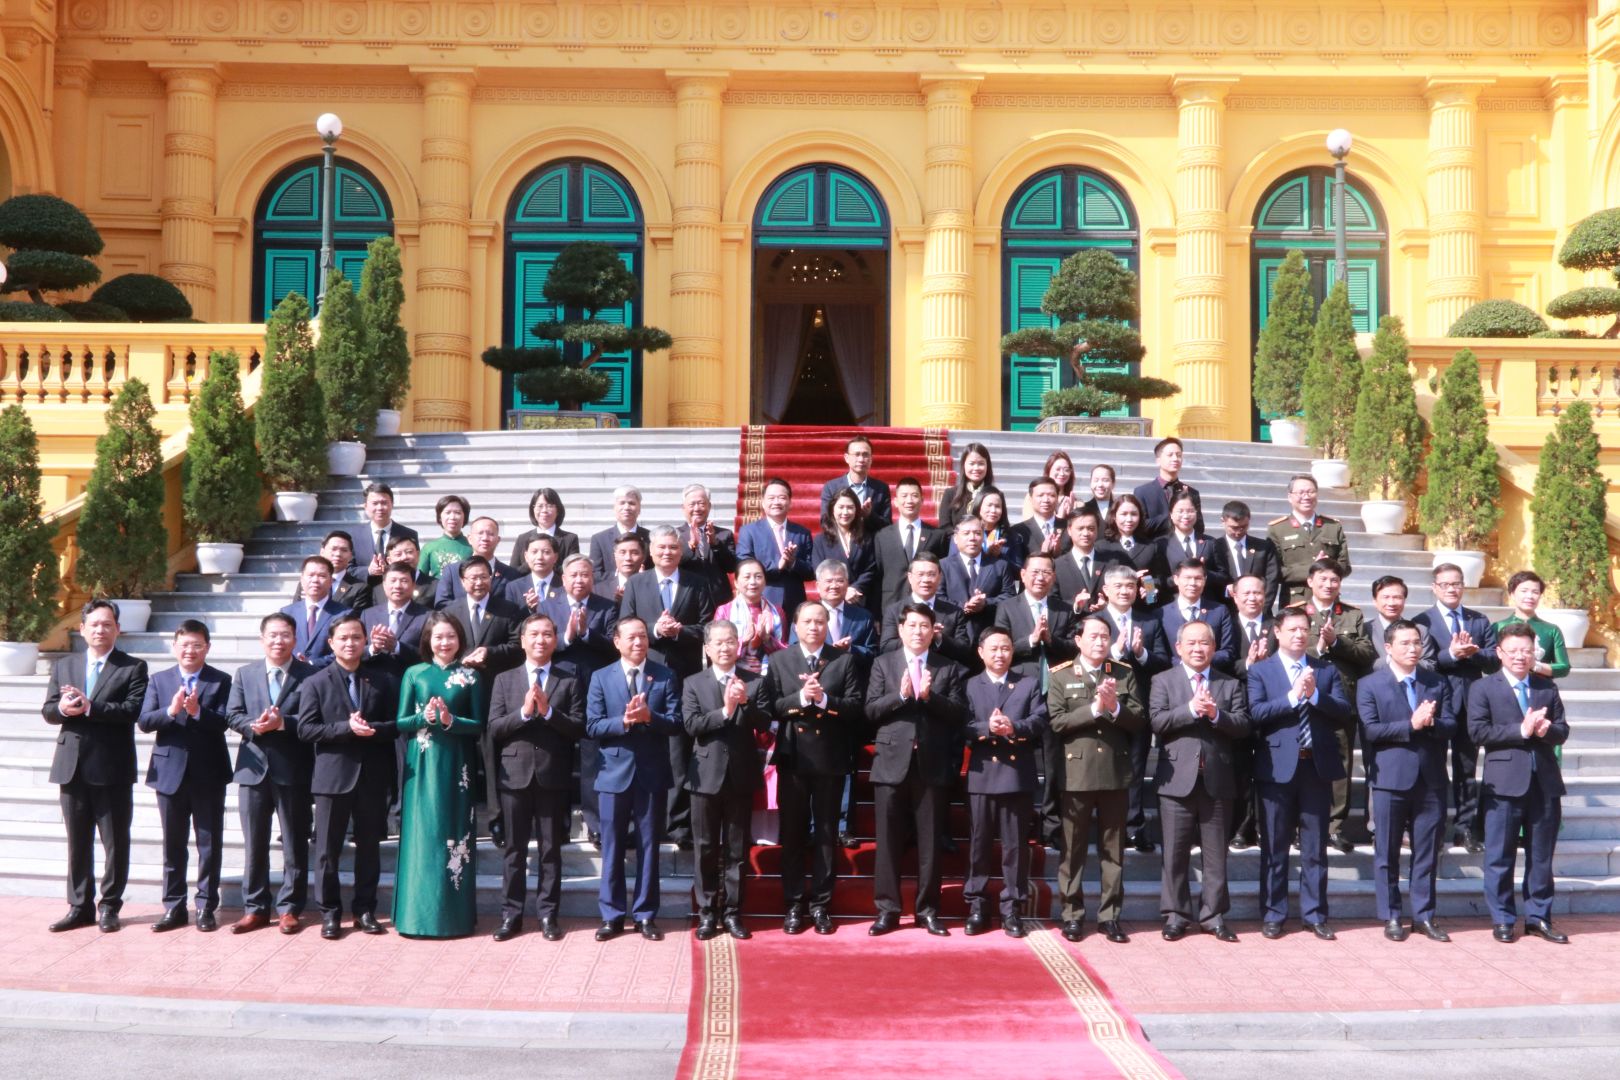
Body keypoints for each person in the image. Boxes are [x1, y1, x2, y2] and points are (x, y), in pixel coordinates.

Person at [43, 600, 149, 934]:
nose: (100, 630)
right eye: (94, 624)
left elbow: (132, 710)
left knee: (115, 842)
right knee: (77, 842)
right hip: (71, 766)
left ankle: (110, 906)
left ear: (118, 629)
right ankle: (79, 907)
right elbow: (48, 710)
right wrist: (62, 708)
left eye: (107, 624)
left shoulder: (132, 667)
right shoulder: (65, 665)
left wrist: (91, 707)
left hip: (111, 767)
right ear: (82, 629)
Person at [1247, 608, 1353, 940]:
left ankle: (1315, 913)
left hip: (1316, 767)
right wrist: (1293, 697)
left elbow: (1344, 711)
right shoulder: (1261, 671)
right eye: (1292, 629)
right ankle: (1273, 912)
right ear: (1277, 632)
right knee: (1275, 845)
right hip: (1277, 768)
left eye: (1304, 629)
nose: (1299, 634)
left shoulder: (1325, 670)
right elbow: (1256, 713)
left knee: (1314, 846)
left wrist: (1315, 696)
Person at [865, 603, 970, 937]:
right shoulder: (883, 663)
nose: (918, 631)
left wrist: (929, 697)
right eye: (912, 625)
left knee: (930, 843)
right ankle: (888, 910)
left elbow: (959, 713)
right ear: (900, 629)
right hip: (891, 763)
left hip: (932, 763)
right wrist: (900, 695)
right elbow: (870, 711)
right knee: (888, 842)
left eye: (924, 626)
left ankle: (928, 910)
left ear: (933, 630)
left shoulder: (948, 667)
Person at [296, 614, 399, 940]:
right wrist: (346, 729)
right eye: (343, 638)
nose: (350, 643)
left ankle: (364, 910)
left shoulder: (381, 680)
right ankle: (329, 912)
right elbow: (305, 729)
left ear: (365, 641)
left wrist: (372, 729)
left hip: (372, 776)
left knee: (369, 847)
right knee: (327, 850)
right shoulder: (315, 681)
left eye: (356, 637)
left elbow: (395, 725)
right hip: (332, 777)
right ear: (331, 643)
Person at [1470, 622, 1571, 945]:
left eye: (1526, 650)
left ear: (1534, 653)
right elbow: (1478, 732)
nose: (1520, 656)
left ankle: (1538, 917)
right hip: (1503, 785)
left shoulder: (1546, 687)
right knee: (1499, 856)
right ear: (1499, 653)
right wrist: (1521, 731)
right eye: (1513, 650)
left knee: (1541, 857)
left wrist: (1546, 731)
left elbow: (1563, 730)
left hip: (1544, 783)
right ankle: (1502, 918)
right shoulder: (1483, 688)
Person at [1150, 620, 1250, 942]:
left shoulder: (1229, 684)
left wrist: (1216, 715)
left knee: (1216, 855)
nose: (1198, 648)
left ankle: (1213, 915)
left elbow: (1243, 725)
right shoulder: (1163, 681)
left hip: (1217, 780)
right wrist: (1191, 710)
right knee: (1175, 854)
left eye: (1204, 643)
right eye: (1191, 643)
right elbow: (1157, 721)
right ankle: (1176, 915)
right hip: (1176, 781)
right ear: (1178, 648)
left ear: (1214, 648)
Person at [488, 613, 586, 942]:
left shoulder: (568, 680)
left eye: (547, 634)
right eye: (534, 634)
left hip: (552, 775)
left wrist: (548, 713)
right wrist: (524, 713)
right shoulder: (504, 680)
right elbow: (495, 728)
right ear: (522, 640)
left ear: (556, 640)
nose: (540, 640)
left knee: (550, 850)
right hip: (514, 775)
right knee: (514, 850)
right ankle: (511, 915)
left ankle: (548, 914)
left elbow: (578, 728)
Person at [1046, 617, 1144, 944]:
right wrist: (1094, 709)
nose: (1100, 642)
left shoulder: (1123, 673)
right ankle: (1072, 915)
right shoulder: (1060, 675)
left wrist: (1115, 707)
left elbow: (1138, 720)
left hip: (1115, 772)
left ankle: (1109, 916)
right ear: (1078, 640)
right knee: (1072, 850)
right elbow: (1057, 722)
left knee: (1113, 850)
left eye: (1105, 636)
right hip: (1077, 774)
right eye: (1094, 636)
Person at [766, 601, 861, 935]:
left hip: (829, 759)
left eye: (820, 621)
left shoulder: (843, 660)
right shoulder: (780, 660)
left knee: (825, 834)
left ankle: (821, 904)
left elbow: (855, 707)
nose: (814, 627)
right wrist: (801, 699)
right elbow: (771, 707)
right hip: (793, 757)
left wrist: (824, 701)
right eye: (807, 621)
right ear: (795, 625)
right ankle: (793, 904)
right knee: (793, 833)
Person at [585, 616, 682, 942]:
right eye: (631, 637)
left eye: (643, 636)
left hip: (651, 773)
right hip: (613, 774)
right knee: (611, 847)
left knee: (649, 846)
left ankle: (645, 915)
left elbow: (676, 722)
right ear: (617, 642)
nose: (639, 642)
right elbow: (592, 725)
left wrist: (650, 717)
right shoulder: (601, 677)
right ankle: (611, 916)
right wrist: (624, 722)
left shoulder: (664, 675)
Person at [1358, 618, 1455, 943]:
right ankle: (1391, 915)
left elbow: (1452, 725)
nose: (1413, 648)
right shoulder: (1370, 684)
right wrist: (1411, 725)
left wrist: (1431, 723)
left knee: (1426, 852)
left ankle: (1424, 915)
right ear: (1388, 647)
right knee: (1386, 853)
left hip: (1431, 779)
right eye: (1405, 643)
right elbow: (1371, 730)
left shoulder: (1436, 682)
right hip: (1390, 779)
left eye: (1416, 642)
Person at [622, 525, 717, 849]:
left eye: (673, 548)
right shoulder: (636, 583)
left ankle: (677, 825)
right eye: (661, 547)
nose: (667, 552)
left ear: (681, 551)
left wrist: (679, 631)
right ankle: (641, 822)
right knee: (642, 749)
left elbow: (707, 628)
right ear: (651, 551)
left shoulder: (697, 582)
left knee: (679, 752)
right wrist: (653, 630)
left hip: (683, 676)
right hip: (643, 675)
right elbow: (625, 623)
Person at [392, 612, 485, 938]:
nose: (445, 642)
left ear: (460, 640)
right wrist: (425, 717)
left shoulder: (471, 677)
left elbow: (479, 724)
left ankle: (453, 918)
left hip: (457, 765)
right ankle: (415, 918)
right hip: (421, 764)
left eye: (451, 636)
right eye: (439, 637)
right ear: (428, 641)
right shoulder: (414, 673)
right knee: (422, 836)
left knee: (453, 832)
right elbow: (400, 722)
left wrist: (450, 721)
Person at [138, 620, 232, 933]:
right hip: (169, 773)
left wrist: (197, 713)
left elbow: (225, 721)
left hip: (208, 772)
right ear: (175, 647)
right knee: (173, 844)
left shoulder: (221, 680)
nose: (190, 650)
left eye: (197, 645)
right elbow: (145, 721)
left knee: (209, 844)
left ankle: (206, 906)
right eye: (185, 645)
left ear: (207, 647)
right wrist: (171, 710)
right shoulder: (159, 679)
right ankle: (174, 906)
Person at [226, 613, 316, 935]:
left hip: (293, 770)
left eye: (285, 635)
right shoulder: (245, 673)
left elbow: (313, 718)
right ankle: (255, 908)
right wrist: (253, 726)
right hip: (253, 770)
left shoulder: (310, 675)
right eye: (273, 635)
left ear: (295, 639)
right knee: (255, 844)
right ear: (262, 639)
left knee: (294, 842)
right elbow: (232, 714)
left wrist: (283, 724)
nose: (279, 641)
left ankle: (290, 908)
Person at [683, 621, 768, 941]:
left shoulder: (754, 681)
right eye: (718, 643)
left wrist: (745, 703)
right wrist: (726, 710)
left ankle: (733, 913)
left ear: (738, 645)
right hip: (704, 777)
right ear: (707, 648)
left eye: (730, 641)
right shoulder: (693, 682)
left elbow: (765, 722)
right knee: (705, 847)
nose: (724, 648)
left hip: (740, 775)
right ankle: (707, 913)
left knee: (737, 850)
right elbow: (692, 725)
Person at [962, 627, 1048, 938]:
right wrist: (987, 728)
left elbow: (1040, 720)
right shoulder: (970, 685)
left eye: (1006, 648)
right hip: (983, 774)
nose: (1000, 654)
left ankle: (1012, 908)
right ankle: (977, 905)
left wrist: (1013, 727)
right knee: (979, 845)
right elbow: (961, 724)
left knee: (1015, 847)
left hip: (1015, 775)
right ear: (981, 652)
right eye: (994, 648)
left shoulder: (1028, 683)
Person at [1414, 562, 1501, 853]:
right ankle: (1434, 827)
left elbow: (1494, 660)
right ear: (1434, 587)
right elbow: (1421, 661)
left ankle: (1464, 828)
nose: (1451, 589)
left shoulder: (1478, 620)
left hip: (1470, 702)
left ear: (1464, 586)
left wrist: (1472, 653)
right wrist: (1451, 654)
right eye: (1445, 584)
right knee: (1434, 766)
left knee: (1467, 768)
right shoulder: (1422, 621)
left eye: (1456, 583)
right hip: (1435, 702)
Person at [993, 552, 1078, 848]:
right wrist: (1030, 640)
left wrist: (1051, 640)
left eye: (1046, 572)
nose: (1040, 577)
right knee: (1017, 760)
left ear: (1053, 577)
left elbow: (1074, 648)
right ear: (1023, 575)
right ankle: (1020, 820)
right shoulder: (1007, 607)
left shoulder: (1063, 609)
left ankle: (1051, 826)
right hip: (1020, 693)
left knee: (1054, 765)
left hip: (1055, 695)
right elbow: (1000, 648)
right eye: (1035, 572)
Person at [1294, 558, 1376, 853]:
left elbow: (1366, 653)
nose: (1329, 585)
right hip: (1303, 696)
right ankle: (1302, 827)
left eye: (1334, 580)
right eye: (1323, 579)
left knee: (1341, 765)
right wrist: (1316, 647)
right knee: (1302, 763)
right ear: (1310, 582)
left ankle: (1334, 827)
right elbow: (1286, 648)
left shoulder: (1352, 614)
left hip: (1341, 698)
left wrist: (1337, 642)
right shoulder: (1295, 613)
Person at [539, 553, 620, 846]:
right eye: (573, 575)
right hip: (558, 687)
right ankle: (557, 825)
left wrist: (587, 634)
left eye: (585, 574)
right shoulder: (547, 606)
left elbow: (614, 646)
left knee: (592, 758)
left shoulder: (607, 607)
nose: (579, 580)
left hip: (595, 690)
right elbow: (540, 644)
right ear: (563, 579)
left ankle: (594, 824)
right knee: (556, 755)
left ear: (593, 578)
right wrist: (566, 637)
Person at [1095, 565, 1173, 853]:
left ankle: (1134, 827)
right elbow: (1088, 662)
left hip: (1138, 705)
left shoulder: (1149, 621)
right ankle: (1107, 828)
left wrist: (1141, 653)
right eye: (1118, 586)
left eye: (1130, 586)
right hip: (1104, 703)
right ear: (1106, 590)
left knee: (1136, 768)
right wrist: (1115, 652)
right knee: (1105, 766)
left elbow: (1163, 662)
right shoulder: (1095, 622)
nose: (1125, 591)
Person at [1227, 574, 1277, 851]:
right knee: (1240, 770)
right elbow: (1220, 663)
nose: (1252, 598)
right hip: (1236, 706)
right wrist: (1248, 664)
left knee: (1269, 770)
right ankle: (1242, 827)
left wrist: (1267, 665)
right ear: (1234, 596)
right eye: (1245, 593)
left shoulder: (1276, 627)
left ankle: (1265, 826)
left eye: (1257, 592)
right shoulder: (1227, 624)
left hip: (1271, 706)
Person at [879, 552, 975, 668]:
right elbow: (886, 647)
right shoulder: (894, 610)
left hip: (943, 672)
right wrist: (917, 637)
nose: (926, 580)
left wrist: (939, 637)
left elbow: (964, 651)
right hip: (904, 671)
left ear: (939, 577)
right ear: (910, 577)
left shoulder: (954, 611)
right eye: (920, 574)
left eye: (931, 575)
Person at [736, 477, 815, 617]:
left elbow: (812, 571)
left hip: (794, 602)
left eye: (782, 498)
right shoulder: (749, 531)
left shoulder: (802, 533)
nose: (776, 502)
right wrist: (778, 566)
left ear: (790, 502)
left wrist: (793, 562)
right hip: (761, 601)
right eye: (771, 498)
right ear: (763, 502)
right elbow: (744, 565)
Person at [1269, 475, 1350, 608]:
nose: (1306, 497)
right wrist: (1313, 569)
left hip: (1328, 601)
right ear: (1290, 497)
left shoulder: (1332, 526)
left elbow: (1345, 565)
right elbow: (1274, 572)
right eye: (1301, 492)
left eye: (1310, 492)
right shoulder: (1278, 529)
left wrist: (1327, 570)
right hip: (1296, 602)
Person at [939, 515, 1016, 640]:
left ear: (983, 537)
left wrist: (985, 603)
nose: (972, 538)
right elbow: (938, 596)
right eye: (966, 533)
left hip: (989, 634)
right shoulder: (943, 565)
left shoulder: (1000, 565)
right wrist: (964, 606)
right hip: (953, 634)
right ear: (955, 538)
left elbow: (1010, 596)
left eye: (977, 533)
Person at [873, 476, 947, 607]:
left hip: (926, 606)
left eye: (914, 496)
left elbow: (942, 574)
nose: (909, 500)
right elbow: (877, 576)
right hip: (891, 605)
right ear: (896, 502)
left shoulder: (937, 535)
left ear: (922, 500)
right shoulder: (882, 536)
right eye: (904, 496)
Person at [1159, 559, 1240, 674]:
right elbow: (1161, 654)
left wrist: (1202, 661)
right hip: (1174, 678)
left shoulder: (1220, 611)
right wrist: (1185, 664)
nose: (1192, 583)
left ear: (1204, 580)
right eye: (1187, 578)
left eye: (1198, 578)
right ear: (1176, 579)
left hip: (1212, 676)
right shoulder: (1162, 614)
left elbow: (1228, 650)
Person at [713, 558, 787, 675]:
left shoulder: (776, 612)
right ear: (736, 582)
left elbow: (785, 653)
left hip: (771, 673)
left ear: (765, 581)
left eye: (758, 577)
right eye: (747, 577)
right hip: (734, 674)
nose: (753, 582)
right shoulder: (724, 611)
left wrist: (767, 639)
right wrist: (744, 641)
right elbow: (717, 649)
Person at [1494, 571, 1571, 680]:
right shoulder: (1498, 627)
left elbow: (1564, 667)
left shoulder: (1551, 630)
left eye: (1535, 592)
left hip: (1541, 687)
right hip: (1505, 687)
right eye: (1524, 591)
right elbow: (1490, 665)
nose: (1529, 596)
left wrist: (1536, 666)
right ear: (1512, 594)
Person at [1205, 501, 1281, 610]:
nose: (1238, 532)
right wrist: (1226, 591)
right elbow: (1212, 581)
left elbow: (1271, 582)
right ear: (1223, 521)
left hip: (1258, 610)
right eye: (1234, 527)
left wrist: (1261, 609)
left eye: (1243, 527)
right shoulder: (1213, 547)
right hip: (1225, 611)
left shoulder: (1263, 548)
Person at [360, 562, 431, 678]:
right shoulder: (367, 614)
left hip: (410, 681)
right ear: (384, 585)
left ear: (413, 585)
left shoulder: (428, 616)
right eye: (392, 581)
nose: (397, 586)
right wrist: (374, 648)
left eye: (404, 581)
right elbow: (357, 652)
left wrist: (397, 647)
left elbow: (430, 655)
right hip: (373, 682)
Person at [812, 488, 881, 608]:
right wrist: (843, 590)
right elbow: (819, 569)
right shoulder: (821, 540)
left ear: (856, 510)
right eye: (841, 507)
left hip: (860, 598)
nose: (845, 512)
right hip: (833, 599)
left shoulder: (866, 537)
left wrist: (855, 588)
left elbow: (871, 568)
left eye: (850, 507)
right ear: (832, 509)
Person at [433, 516, 520, 607]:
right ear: (469, 539)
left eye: (490, 534)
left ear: (498, 540)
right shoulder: (452, 571)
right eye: (480, 533)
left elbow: (515, 607)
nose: (485, 538)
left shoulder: (511, 574)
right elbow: (441, 603)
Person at [281, 555, 349, 668]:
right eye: (310, 575)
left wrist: (312, 664)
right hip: (292, 673)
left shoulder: (344, 614)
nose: (315, 580)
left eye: (322, 576)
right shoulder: (287, 612)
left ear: (331, 581)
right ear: (302, 580)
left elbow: (345, 650)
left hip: (328, 675)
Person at [806, 558, 877, 664]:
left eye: (840, 581)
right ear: (818, 586)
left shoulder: (864, 617)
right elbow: (795, 649)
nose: (834, 586)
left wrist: (850, 649)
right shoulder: (805, 615)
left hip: (853, 672)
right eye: (829, 581)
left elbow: (873, 653)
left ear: (847, 584)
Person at [1132, 436, 1203, 541]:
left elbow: (1200, 527)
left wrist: (1187, 504)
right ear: (1158, 461)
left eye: (1179, 455)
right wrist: (1174, 515)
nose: (1175, 459)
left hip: (1184, 548)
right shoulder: (1142, 492)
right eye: (1170, 455)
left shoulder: (1191, 493)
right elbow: (1141, 526)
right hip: (1155, 548)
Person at [1053, 507, 1120, 615]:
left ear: (1097, 530)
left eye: (1091, 528)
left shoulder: (1112, 563)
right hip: (1072, 624)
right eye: (1080, 528)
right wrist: (1076, 606)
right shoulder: (1057, 566)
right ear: (1069, 530)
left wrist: (1107, 606)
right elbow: (1053, 602)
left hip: (1105, 622)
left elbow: (1120, 594)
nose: (1086, 533)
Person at [820, 434, 892, 530]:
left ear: (871, 459)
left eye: (865, 455)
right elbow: (825, 521)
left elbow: (887, 526)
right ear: (846, 458)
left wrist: (870, 515)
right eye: (856, 455)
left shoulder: (881, 489)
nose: (861, 459)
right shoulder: (831, 487)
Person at [677, 483, 738, 590]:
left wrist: (715, 544)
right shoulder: (675, 535)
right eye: (692, 504)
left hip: (718, 595)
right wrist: (691, 547)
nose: (697, 508)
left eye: (701, 503)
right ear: (683, 508)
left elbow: (731, 567)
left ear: (709, 506)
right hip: (688, 593)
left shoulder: (724, 534)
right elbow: (673, 564)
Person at [351, 481, 420, 574]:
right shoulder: (355, 535)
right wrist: (368, 571)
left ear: (392, 504)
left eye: (384, 503)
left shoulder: (408, 534)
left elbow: (414, 567)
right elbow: (348, 568)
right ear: (365, 506)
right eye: (375, 503)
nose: (380, 508)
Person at [1103, 495, 1160, 607]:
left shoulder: (1150, 547)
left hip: (1142, 610)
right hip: (1112, 608)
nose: (1129, 519)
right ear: (1114, 516)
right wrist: (1131, 577)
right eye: (1124, 514)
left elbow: (1155, 579)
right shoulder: (1102, 547)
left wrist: (1149, 594)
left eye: (1134, 514)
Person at [1154, 493, 1218, 592]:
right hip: (1173, 599)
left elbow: (1223, 577)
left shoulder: (1210, 542)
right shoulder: (1160, 544)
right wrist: (1181, 576)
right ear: (1171, 514)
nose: (1186, 516)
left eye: (1190, 511)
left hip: (1205, 600)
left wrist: (1203, 572)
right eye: (1180, 511)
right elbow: (1154, 581)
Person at [588, 485, 651, 584]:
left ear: (639, 509)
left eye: (631, 503)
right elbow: (595, 573)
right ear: (614, 508)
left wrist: (645, 576)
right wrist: (620, 576)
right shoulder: (599, 539)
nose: (626, 507)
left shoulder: (651, 538)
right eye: (622, 503)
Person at [1367, 575, 1431, 671]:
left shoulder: (1420, 630)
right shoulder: (1365, 630)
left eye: (1397, 597)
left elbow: (1429, 665)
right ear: (1375, 601)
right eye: (1386, 597)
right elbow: (1363, 666)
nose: (1391, 603)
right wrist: (1392, 659)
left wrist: (1407, 660)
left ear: (1404, 600)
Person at [508, 487, 581, 569]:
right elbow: (513, 571)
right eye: (540, 506)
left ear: (558, 510)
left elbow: (572, 569)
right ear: (533, 510)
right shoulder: (522, 539)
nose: (544, 510)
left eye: (549, 506)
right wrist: (533, 563)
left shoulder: (570, 539)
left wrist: (547, 563)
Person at [1009, 477, 1068, 565]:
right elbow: (1017, 565)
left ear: (1057, 498)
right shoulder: (1018, 531)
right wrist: (1043, 554)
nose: (1046, 500)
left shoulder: (1069, 527)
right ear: (1030, 499)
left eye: (1051, 495)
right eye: (1040, 495)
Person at [938, 441, 993, 533]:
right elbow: (944, 527)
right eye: (972, 463)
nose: (976, 468)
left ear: (988, 466)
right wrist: (961, 538)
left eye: (981, 463)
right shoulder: (950, 494)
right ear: (964, 465)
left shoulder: (994, 495)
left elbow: (1002, 525)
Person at [370, 534, 437, 609]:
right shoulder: (378, 591)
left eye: (409, 552)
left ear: (418, 555)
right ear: (389, 560)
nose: (404, 557)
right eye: (398, 554)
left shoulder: (436, 586)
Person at [504, 533, 565, 612]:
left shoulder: (565, 585)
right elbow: (510, 618)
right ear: (526, 556)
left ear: (555, 557)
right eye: (534, 552)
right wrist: (529, 609)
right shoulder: (514, 587)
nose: (539, 557)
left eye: (546, 552)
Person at [417, 494, 473, 578]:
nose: (452, 517)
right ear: (440, 517)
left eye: (457, 513)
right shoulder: (429, 547)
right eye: (447, 512)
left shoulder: (472, 546)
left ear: (465, 517)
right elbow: (420, 578)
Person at [969, 487, 1023, 569]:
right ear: (979, 506)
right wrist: (985, 553)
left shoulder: (1012, 537)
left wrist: (999, 555)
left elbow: (1018, 570)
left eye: (997, 506)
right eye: (989, 505)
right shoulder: (966, 533)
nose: (993, 510)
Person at [317, 531, 373, 612]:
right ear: (322, 552)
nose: (338, 554)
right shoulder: (309, 582)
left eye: (344, 550)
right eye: (333, 549)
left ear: (350, 556)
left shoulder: (359, 588)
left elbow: (356, 618)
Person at [1020, 450, 1076, 520]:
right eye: (1058, 469)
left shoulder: (1076, 503)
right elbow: (1029, 524)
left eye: (1066, 470)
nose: (1062, 473)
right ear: (1048, 470)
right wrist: (1059, 518)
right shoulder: (1034, 497)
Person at [596, 532, 648, 604]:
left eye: (634, 553)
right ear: (615, 556)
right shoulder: (598, 590)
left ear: (643, 557)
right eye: (622, 553)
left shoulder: (654, 588)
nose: (628, 558)